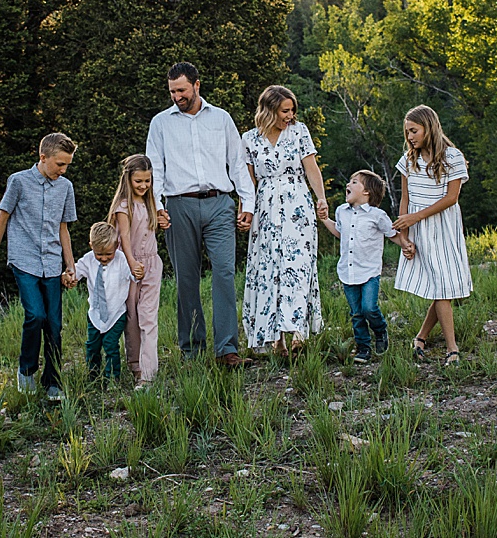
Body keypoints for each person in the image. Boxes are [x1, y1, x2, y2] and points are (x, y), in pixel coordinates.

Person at [146, 62, 256, 368]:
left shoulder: (221, 119)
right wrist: (157, 208)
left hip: (219, 204)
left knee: (223, 272)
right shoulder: (161, 123)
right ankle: (192, 351)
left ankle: (227, 349)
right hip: (179, 206)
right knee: (186, 279)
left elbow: (237, 163)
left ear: (197, 85)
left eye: (181, 90)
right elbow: (154, 167)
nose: (176, 97)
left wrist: (248, 205)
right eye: (171, 91)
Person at [0, 132, 78, 400]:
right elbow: (1, 220)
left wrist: (70, 266)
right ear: (43, 157)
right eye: (60, 164)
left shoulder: (65, 187)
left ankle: (53, 381)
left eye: (67, 165)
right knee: (35, 315)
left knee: (54, 324)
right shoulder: (19, 182)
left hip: (51, 261)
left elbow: (64, 228)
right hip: (24, 260)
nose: (63, 169)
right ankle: (26, 371)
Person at [239, 85, 327, 354]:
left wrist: (320, 198)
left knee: (298, 265)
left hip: (297, 204)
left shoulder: (299, 132)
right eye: (284, 111)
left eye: (292, 110)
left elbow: (311, 168)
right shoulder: (249, 139)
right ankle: (275, 338)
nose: (290, 116)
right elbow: (248, 182)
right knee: (269, 269)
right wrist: (246, 210)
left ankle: (298, 332)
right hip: (265, 207)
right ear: (269, 111)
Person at [393, 105, 472, 365]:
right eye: (407, 133)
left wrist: (417, 217)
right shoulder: (408, 160)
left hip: (443, 226)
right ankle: (451, 349)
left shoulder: (452, 156)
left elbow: (452, 198)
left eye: (414, 131)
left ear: (429, 127)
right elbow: (405, 199)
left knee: (443, 286)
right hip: (419, 230)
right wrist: (404, 237)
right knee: (441, 287)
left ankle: (426, 339)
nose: (410, 137)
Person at [317, 170, 403, 364]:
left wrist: (406, 245)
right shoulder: (341, 211)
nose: (348, 184)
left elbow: (392, 234)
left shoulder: (377, 215)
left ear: (367, 192)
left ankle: (380, 331)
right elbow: (340, 233)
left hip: (370, 271)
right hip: (348, 271)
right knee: (356, 313)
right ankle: (363, 347)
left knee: (369, 308)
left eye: (354, 182)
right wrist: (324, 219)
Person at [109, 154, 163, 386]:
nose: (143, 186)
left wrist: (163, 219)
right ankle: (136, 366)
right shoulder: (124, 206)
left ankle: (149, 374)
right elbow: (125, 237)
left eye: (147, 181)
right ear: (128, 179)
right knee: (131, 318)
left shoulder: (151, 204)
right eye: (138, 181)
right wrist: (131, 263)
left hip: (152, 265)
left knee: (148, 317)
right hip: (130, 267)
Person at [72, 221, 134, 386]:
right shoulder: (89, 259)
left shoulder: (122, 259)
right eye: (99, 254)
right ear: (91, 246)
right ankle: (93, 376)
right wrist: (70, 276)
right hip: (95, 313)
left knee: (110, 345)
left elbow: (133, 273)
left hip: (116, 313)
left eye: (108, 254)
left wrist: (138, 271)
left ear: (117, 245)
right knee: (92, 346)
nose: (104, 258)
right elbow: (77, 270)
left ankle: (112, 378)